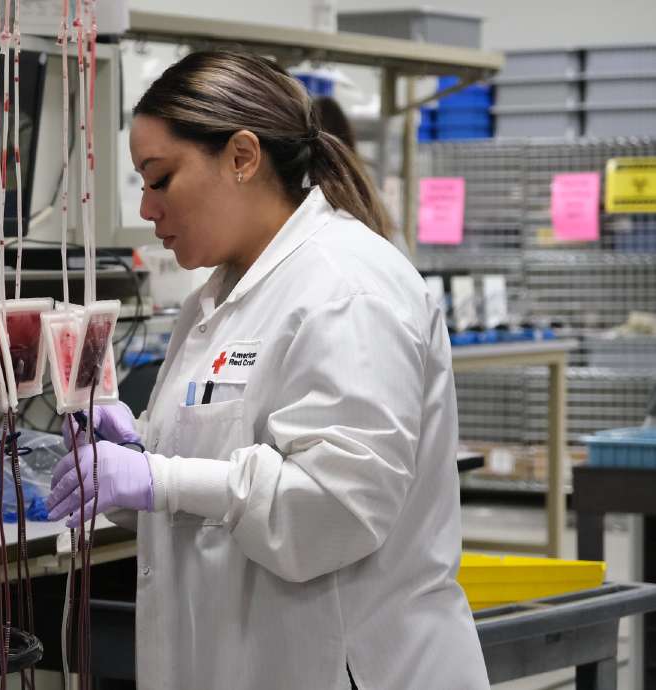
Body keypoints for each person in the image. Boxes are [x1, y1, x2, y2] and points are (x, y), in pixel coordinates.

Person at [46, 50, 488, 690]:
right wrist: (138, 460)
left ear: (242, 157)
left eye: (160, 178)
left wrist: (161, 478)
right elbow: (216, 497)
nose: (146, 208)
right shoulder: (217, 299)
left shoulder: (346, 288)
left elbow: (336, 513)